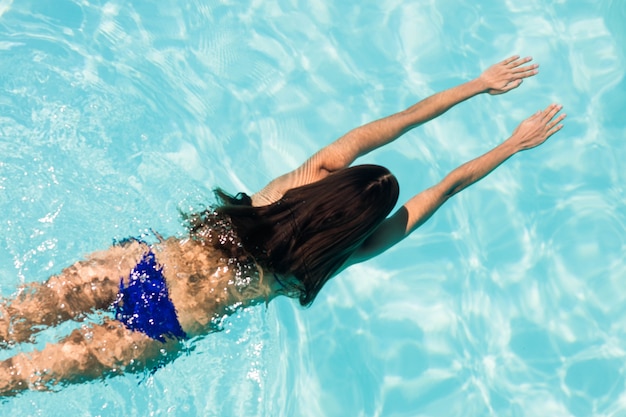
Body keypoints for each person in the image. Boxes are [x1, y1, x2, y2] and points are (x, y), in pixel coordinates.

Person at [0, 55, 565, 396]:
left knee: (11, 319)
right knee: (18, 377)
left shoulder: (297, 181)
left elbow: (400, 122)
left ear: (332, 184)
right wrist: (513, 143)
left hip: (142, 265)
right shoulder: (345, 254)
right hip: (161, 325)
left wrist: (477, 85)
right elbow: (445, 188)